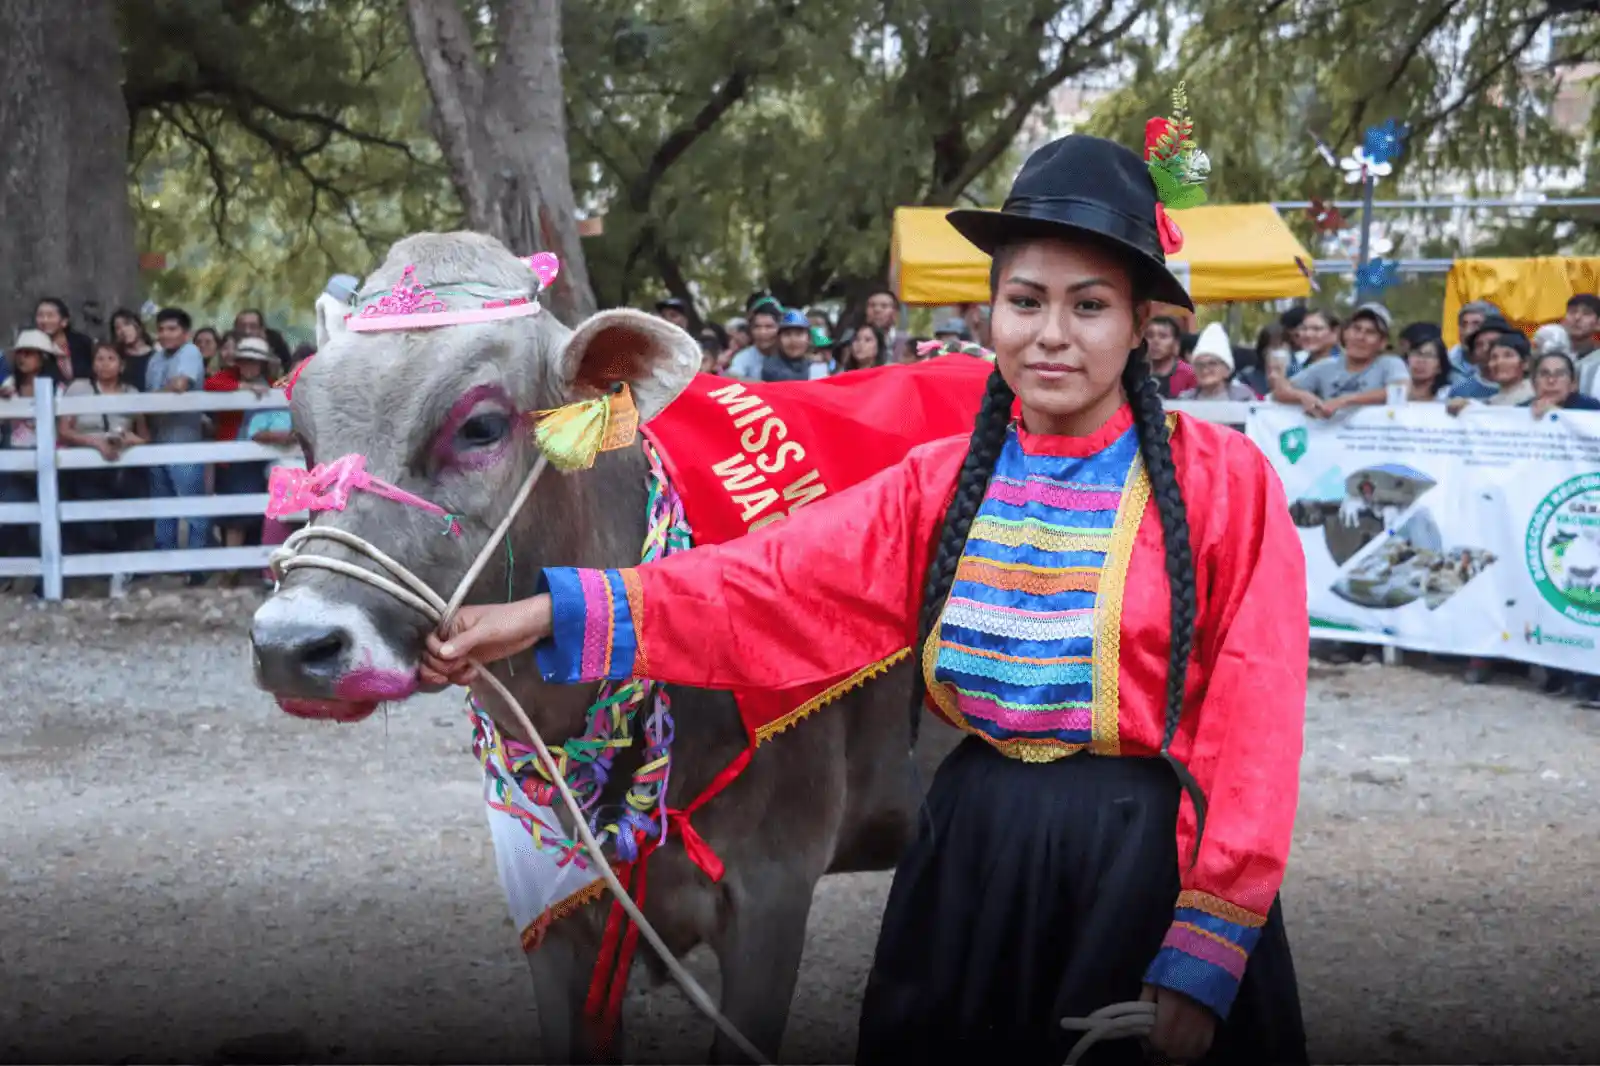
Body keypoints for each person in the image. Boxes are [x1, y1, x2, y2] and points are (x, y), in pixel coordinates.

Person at [421, 130, 1309, 1066]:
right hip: (971, 853)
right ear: (990, 313)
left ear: (1140, 326)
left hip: (1144, 860)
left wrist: (1207, 952)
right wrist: (554, 613)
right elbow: (764, 588)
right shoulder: (936, 484)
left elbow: (1253, 729)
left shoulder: (1224, 484)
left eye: (1090, 306)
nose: (1053, 335)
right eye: (1025, 301)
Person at [57, 341, 149, 596]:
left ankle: (120, 572)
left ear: (121, 365)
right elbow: (64, 430)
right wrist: (94, 442)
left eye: (110, 358)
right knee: (92, 522)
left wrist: (130, 440)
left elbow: (145, 435)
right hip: (84, 467)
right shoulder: (79, 388)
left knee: (125, 519)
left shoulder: (132, 393)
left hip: (122, 467)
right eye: (99, 358)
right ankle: (94, 570)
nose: (104, 364)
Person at [1271, 302, 1407, 417]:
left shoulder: (1390, 364)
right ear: (1345, 333)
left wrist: (1346, 400)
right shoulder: (1326, 366)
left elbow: (1401, 391)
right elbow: (1280, 392)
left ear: (1382, 342)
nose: (1360, 337)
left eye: (1370, 332)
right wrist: (1301, 396)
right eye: (1356, 329)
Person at [1177, 323, 1255, 401]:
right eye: (1199, 365)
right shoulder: (1184, 400)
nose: (1205, 370)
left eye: (1212, 364)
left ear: (1227, 369)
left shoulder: (1244, 398)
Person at [1524, 351, 1600, 416]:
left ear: (1573, 384)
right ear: (1533, 383)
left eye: (1560, 374)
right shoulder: (1520, 411)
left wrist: (1558, 414)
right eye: (1544, 374)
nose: (1551, 380)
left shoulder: (1593, 409)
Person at [1141, 315, 1198, 397]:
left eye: (1163, 336)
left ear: (1176, 343)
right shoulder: (1135, 373)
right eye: (1149, 336)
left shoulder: (1190, 374)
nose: (1155, 341)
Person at [763, 309, 819, 382]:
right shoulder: (770, 367)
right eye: (787, 334)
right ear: (779, 339)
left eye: (798, 334)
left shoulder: (814, 365)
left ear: (808, 338)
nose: (793, 340)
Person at [1404, 336, 1449, 401]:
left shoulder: (1446, 395)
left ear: (1439, 367)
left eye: (1428, 355)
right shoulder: (1394, 391)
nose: (1421, 360)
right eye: (1416, 353)